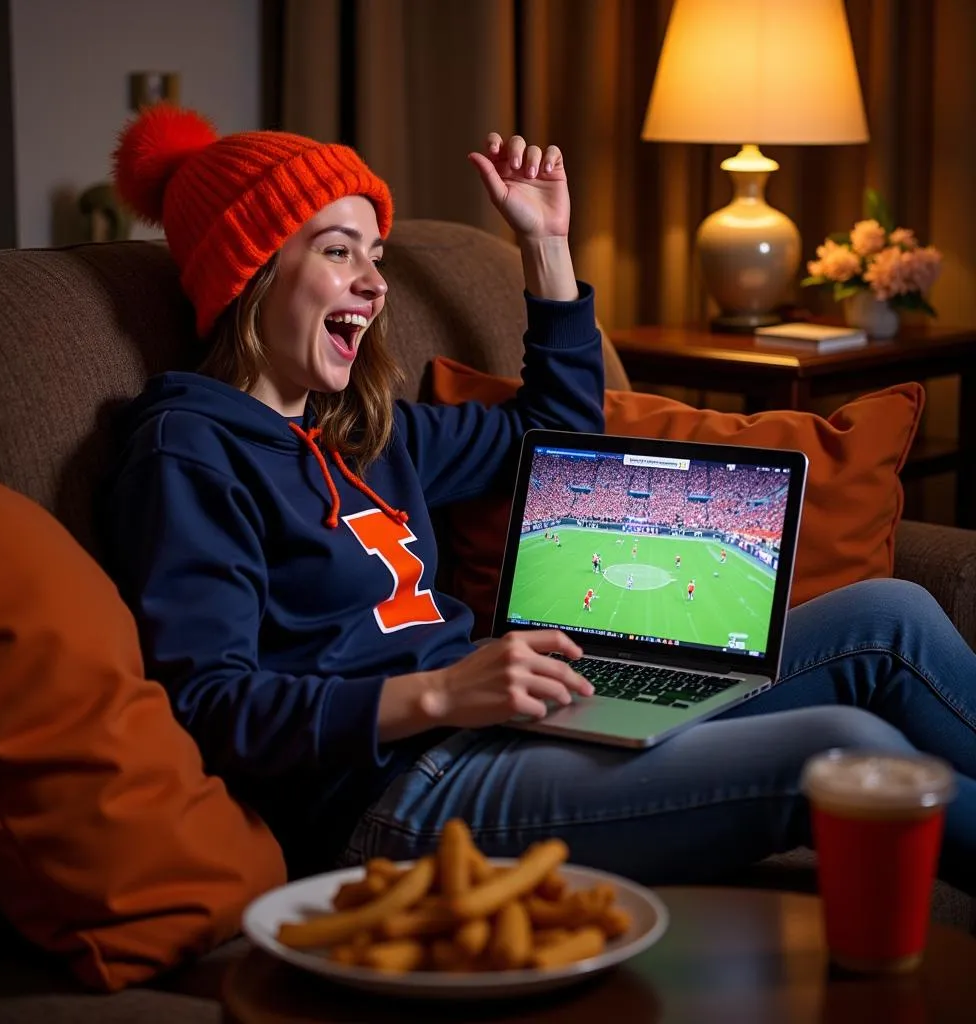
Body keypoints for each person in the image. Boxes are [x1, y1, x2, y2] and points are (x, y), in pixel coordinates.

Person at [104, 104, 976, 896]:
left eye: (375, 255)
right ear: (249, 270)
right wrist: (442, 695)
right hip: (397, 797)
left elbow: (556, 439)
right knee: (846, 755)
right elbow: (209, 708)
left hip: (504, 725)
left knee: (888, 619)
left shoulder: (371, 431)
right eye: (337, 250)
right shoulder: (189, 448)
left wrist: (547, 246)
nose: (375, 283)